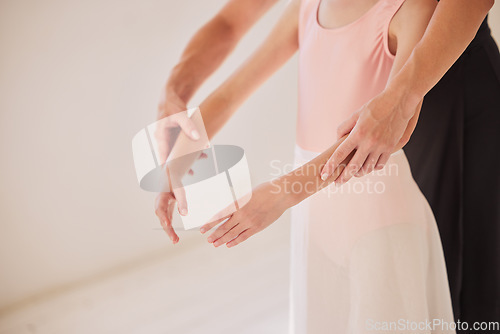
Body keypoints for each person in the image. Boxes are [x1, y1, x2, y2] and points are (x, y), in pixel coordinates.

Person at [155, 0, 500, 330]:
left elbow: (386, 136)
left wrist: (281, 194)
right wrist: (176, 162)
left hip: (381, 223)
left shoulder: (412, 10)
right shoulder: (306, 9)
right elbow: (230, 94)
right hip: (317, 218)